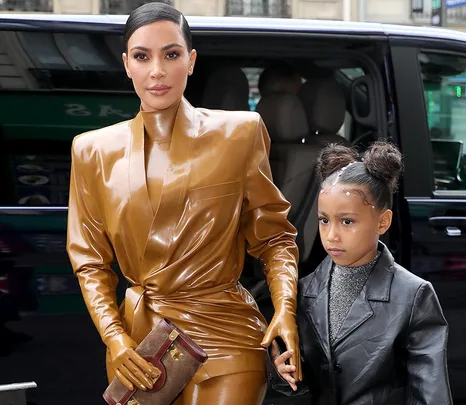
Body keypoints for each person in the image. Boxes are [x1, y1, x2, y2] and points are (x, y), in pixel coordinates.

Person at [66, 2, 302, 404]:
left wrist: (286, 309)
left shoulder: (240, 134)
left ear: (191, 61)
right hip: (140, 345)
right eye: (142, 56)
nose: (156, 70)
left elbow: (274, 238)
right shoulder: (92, 151)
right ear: (127, 64)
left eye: (171, 54)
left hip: (226, 332)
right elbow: (90, 261)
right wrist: (116, 338)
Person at [271, 141, 453, 404]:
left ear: (383, 221)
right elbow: (303, 381)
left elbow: (431, 392)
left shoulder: (413, 296)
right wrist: (281, 374)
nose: (331, 235)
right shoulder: (305, 290)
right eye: (324, 220)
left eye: (347, 221)